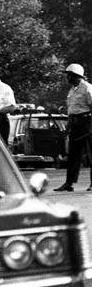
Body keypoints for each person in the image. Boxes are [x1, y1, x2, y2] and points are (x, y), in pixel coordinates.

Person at [55, 64, 92, 192]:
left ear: (76, 75)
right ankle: (69, 183)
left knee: (90, 155)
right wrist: (67, 128)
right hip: (75, 123)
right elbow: (71, 111)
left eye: (69, 75)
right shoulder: (72, 90)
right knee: (73, 155)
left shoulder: (87, 88)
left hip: (87, 122)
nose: (67, 77)